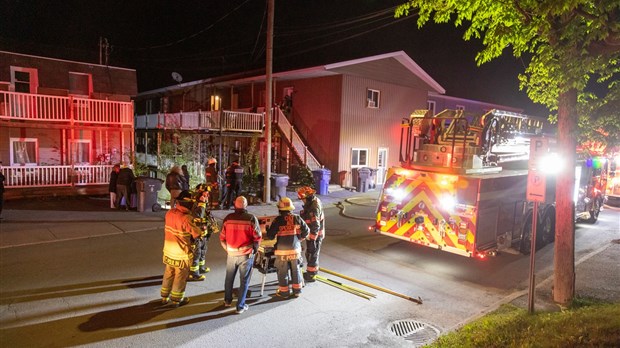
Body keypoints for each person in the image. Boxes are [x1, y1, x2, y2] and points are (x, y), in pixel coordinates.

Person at [160, 190, 204, 308]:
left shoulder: (169, 213)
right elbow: (196, 234)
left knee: (168, 273)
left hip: (168, 251)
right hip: (181, 254)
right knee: (180, 276)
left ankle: (164, 296)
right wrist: (202, 229)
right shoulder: (186, 218)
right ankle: (176, 299)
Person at [220, 196, 262, 314]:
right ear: (246, 205)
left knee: (229, 278)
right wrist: (255, 249)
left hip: (231, 254)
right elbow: (257, 237)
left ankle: (227, 301)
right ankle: (240, 306)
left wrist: (227, 249)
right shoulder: (251, 219)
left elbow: (222, 237)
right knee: (244, 280)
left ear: (234, 204)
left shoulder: (228, 219)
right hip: (246, 255)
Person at [265, 197, 309, 298]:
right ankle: (297, 291)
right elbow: (306, 231)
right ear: (291, 208)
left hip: (282, 252)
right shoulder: (297, 218)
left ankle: (284, 292)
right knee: (296, 270)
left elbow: (271, 236)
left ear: (280, 209)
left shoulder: (277, 220)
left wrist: (268, 230)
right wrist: (299, 239)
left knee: (282, 271)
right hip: (295, 250)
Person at [188, 185, 219, 281]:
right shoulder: (196, 203)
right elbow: (199, 217)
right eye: (206, 194)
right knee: (196, 253)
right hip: (197, 233)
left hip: (204, 232)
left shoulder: (203, 203)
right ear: (200, 193)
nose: (208, 196)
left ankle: (201, 268)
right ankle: (194, 273)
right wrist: (202, 203)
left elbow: (206, 215)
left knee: (203, 250)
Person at [298, 186, 325, 282]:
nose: (302, 201)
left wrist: (313, 239)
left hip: (315, 235)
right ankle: (311, 272)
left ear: (307, 197)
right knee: (310, 253)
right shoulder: (312, 203)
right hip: (312, 234)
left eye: (303, 199)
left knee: (312, 254)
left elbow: (315, 225)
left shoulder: (314, 207)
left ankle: (312, 275)